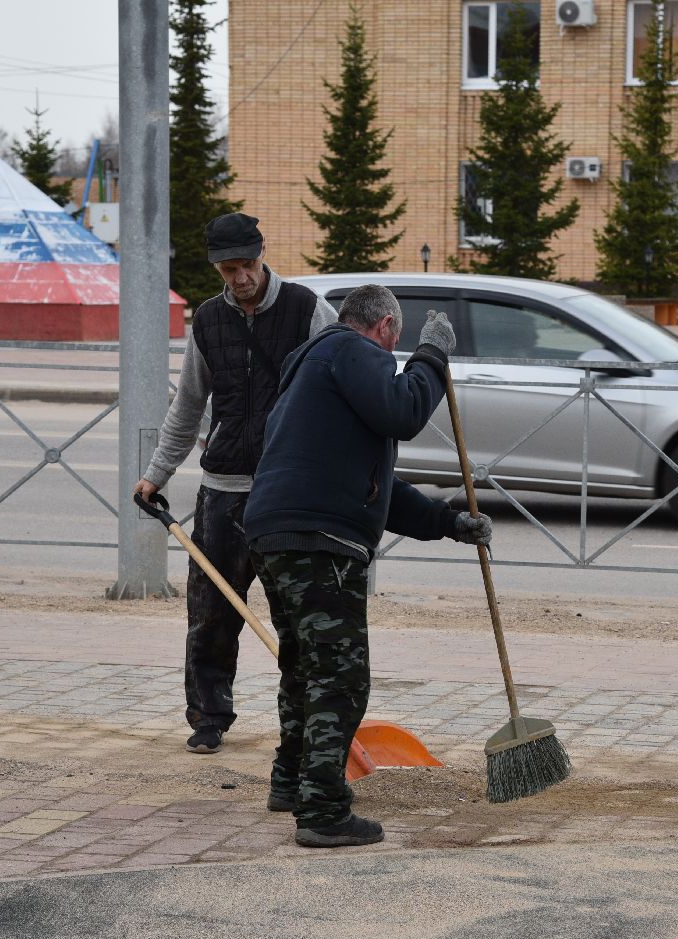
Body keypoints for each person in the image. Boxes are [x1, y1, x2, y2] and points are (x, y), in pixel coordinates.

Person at [243, 286, 493, 848]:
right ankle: (324, 810)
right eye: (396, 343)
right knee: (340, 677)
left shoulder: (317, 371)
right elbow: (405, 411)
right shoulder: (350, 350)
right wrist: (432, 355)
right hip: (320, 540)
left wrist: (449, 522)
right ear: (383, 327)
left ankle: (291, 781)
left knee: (304, 669)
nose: (393, 354)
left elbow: (380, 489)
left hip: (277, 533)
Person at [132, 213, 336, 755]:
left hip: (287, 492)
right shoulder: (208, 322)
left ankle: (306, 724)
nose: (240, 277)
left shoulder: (308, 310)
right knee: (211, 614)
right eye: (228, 268)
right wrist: (157, 474)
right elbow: (187, 408)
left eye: (247, 264)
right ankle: (207, 716)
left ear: (262, 253)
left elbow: (344, 385)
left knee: (296, 615)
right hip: (221, 490)